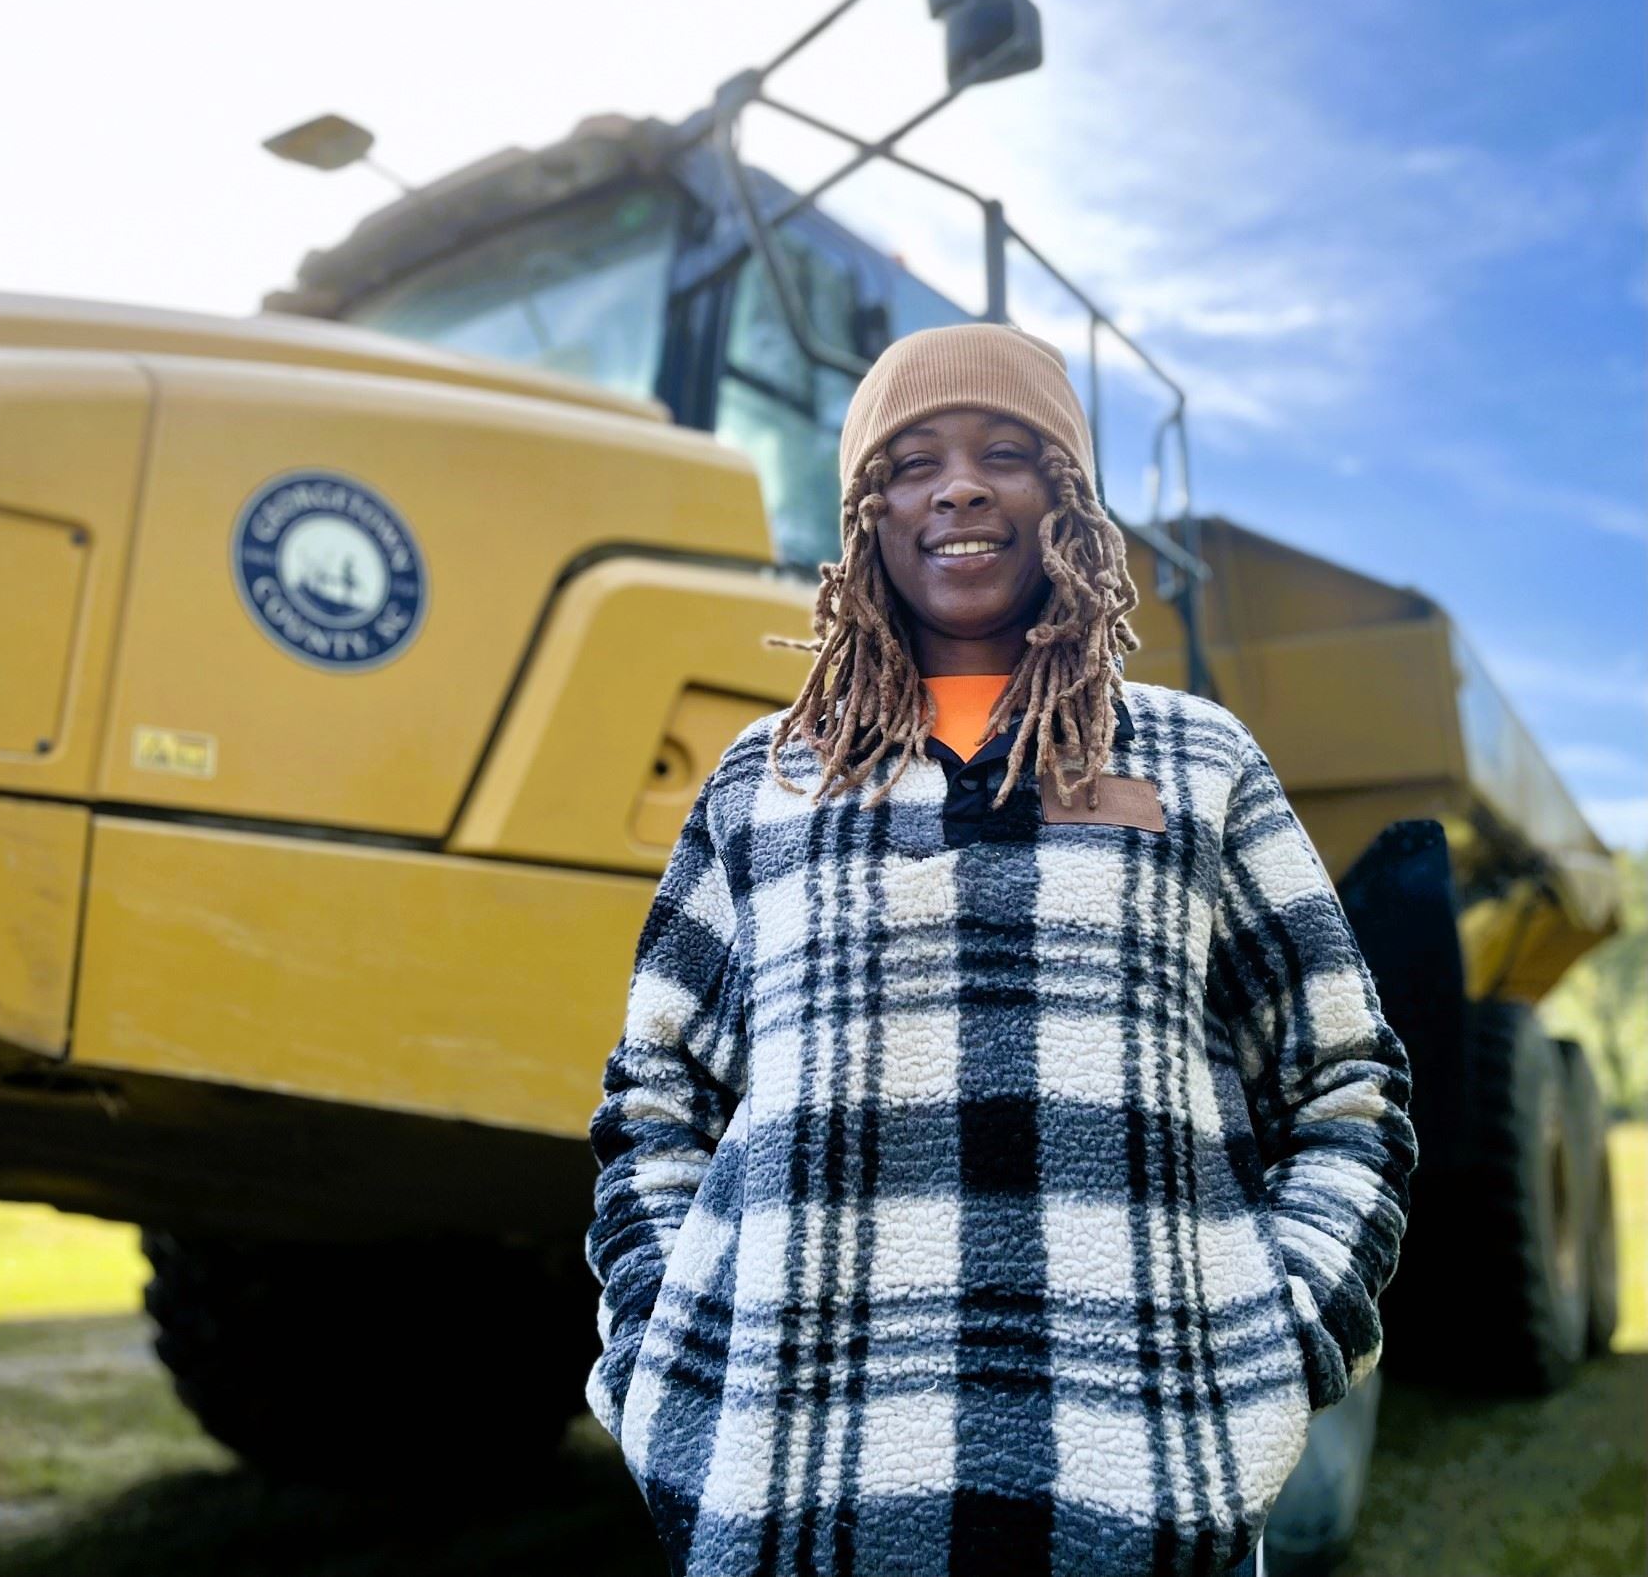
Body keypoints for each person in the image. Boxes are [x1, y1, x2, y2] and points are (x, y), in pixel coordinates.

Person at [583, 322, 1417, 1577]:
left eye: (1007, 453)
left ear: (1070, 502)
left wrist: (1273, 1347)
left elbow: (1344, 1087)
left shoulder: (1200, 763)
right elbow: (656, 1102)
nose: (958, 485)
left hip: (1139, 1496)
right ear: (865, 513)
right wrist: (665, 1365)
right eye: (910, 461)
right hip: (795, 1504)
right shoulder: (764, 781)